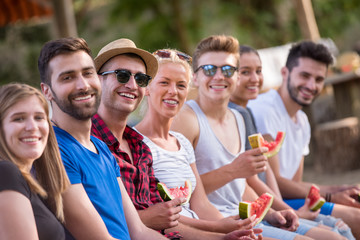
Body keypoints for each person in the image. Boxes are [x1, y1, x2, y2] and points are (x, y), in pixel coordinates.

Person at [171, 34, 344, 240]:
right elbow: (185, 194)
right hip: (216, 224)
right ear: (195, 77)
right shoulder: (185, 120)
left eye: (227, 69)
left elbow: (240, 187)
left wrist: (272, 212)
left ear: (236, 76)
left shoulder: (238, 117)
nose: (219, 76)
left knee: (335, 237)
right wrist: (233, 171)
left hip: (249, 216)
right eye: (209, 69)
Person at [91, 38, 263, 240]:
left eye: (140, 79)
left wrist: (223, 231)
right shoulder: (91, 142)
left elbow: (165, 219)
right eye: (122, 75)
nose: (131, 84)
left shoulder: (138, 147)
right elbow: (128, 222)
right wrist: (219, 232)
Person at [38, 37, 168, 240]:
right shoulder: (52, 148)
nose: (82, 85)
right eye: (67, 78)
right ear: (47, 91)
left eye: (87, 73)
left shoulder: (100, 146)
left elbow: (139, 231)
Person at [229, 45, 354, 239]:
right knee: (347, 222)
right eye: (305, 76)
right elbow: (275, 182)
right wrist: (330, 195)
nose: (312, 86)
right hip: (270, 204)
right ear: (284, 72)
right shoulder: (260, 111)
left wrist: (338, 189)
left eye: (319, 79)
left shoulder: (302, 120)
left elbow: (294, 182)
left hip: (278, 202)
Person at [0, 83, 71, 240]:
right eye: (19, 119)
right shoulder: (5, 172)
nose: (32, 127)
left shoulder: (36, 184)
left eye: (39, 117)